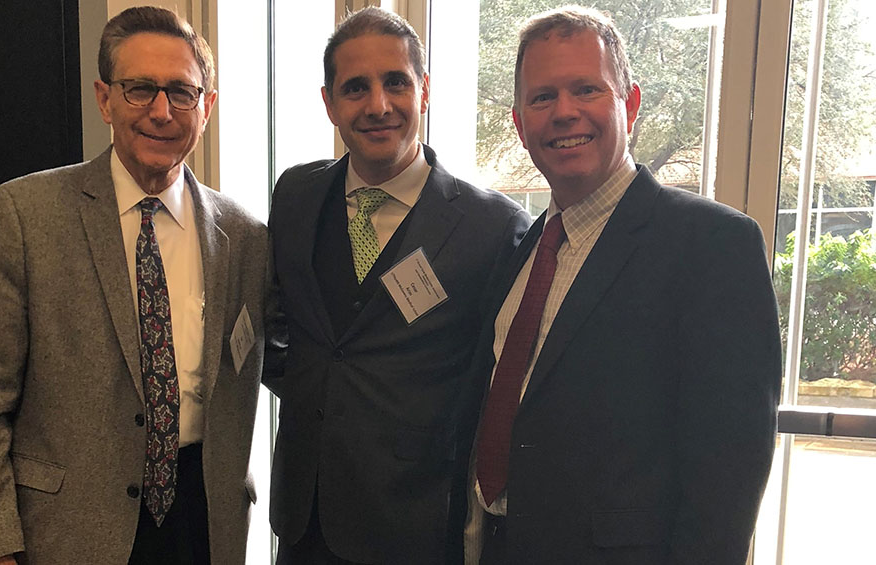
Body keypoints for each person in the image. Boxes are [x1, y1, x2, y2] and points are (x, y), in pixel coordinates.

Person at [461, 6, 782, 564]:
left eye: (587, 89)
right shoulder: (522, 249)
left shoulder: (712, 245)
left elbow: (728, 471)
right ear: (519, 124)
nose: (564, 112)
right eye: (542, 97)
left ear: (629, 104)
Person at [0, 7, 269, 564]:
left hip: (204, 523)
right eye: (140, 89)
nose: (161, 111)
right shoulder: (26, 215)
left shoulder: (245, 237)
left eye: (182, 93)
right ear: (105, 99)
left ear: (207, 107)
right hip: (69, 527)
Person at [264, 7, 531, 564]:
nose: (378, 105)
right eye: (355, 88)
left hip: (416, 522)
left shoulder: (493, 227)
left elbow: (496, 382)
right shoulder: (295, 195)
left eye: (396, 83)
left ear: (424, 90)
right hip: (304, 516)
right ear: (329, 103)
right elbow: (280, 322)